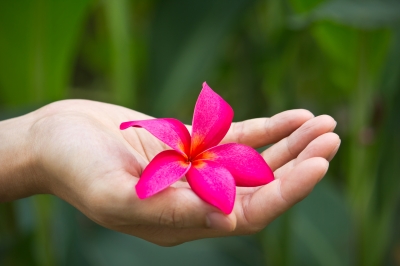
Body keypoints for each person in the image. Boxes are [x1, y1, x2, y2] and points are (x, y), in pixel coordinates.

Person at [0, 99, 340, 246]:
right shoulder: (178, 152)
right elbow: (151, 184)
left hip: (200, 158)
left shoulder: (208, 156)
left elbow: (252, 171)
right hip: (185, 158)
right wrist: (36, 143)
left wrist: (34, 142)